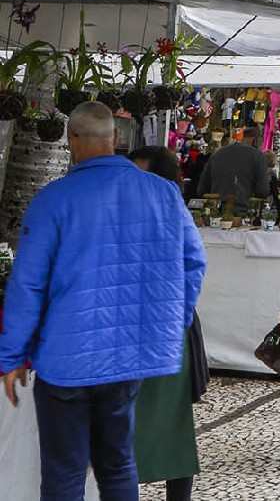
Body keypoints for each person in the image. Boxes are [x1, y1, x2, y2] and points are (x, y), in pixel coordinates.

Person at [0, 102, 206, 501]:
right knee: (117, 464)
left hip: (66, 360)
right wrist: (171, 322)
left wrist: (11, 356)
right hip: (129, 357)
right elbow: (194, 261)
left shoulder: (53, 200)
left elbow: (28, 285)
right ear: (115, 138)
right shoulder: (163, 194)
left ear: (71, 141)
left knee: (64, 473)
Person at [128, 146, 208, 501]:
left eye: (138, 173)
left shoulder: (168, 205)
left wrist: (177, 312)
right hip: (140, 328)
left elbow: (194, 262)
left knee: (170, 424)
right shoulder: (132, 206)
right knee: (133, 425)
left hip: (168, 328)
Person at [196, 124, 270, 211]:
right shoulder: (258, 156)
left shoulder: (217, 154)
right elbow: (263, 191)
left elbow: (201, 190)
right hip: (244, 211)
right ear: (256, 141)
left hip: (216, 212)